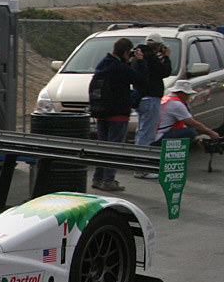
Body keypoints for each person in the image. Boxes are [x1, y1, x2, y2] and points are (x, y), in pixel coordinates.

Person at [89, 37, 146, 192]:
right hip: (118, 112)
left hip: (101, 111)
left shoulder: (103, 63)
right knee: (114, 148)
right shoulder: (120, 67)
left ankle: (98, 177)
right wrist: (140, 61)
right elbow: (140, 79)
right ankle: (109, 180)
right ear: (127, 52)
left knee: (102, 146)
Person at [132, 32, 172, 178]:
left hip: (141, 98)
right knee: (147, 135)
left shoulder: (139, 55)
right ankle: (142, 168)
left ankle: (139, 164)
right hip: (151, 100)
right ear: (159, 46)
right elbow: (165, 71)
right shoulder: (150, 58)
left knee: (141, 132)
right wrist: (166, 57)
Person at [151, 80, 221, 149]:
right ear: (182, 93)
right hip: (158, 137)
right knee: (190, 132)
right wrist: (211, 133)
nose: (188, 97)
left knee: (185, 128)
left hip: (153, 134)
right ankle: (174, 151)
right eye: (187, 95)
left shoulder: (166, 99)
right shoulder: (176, 104)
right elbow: (194, 124)